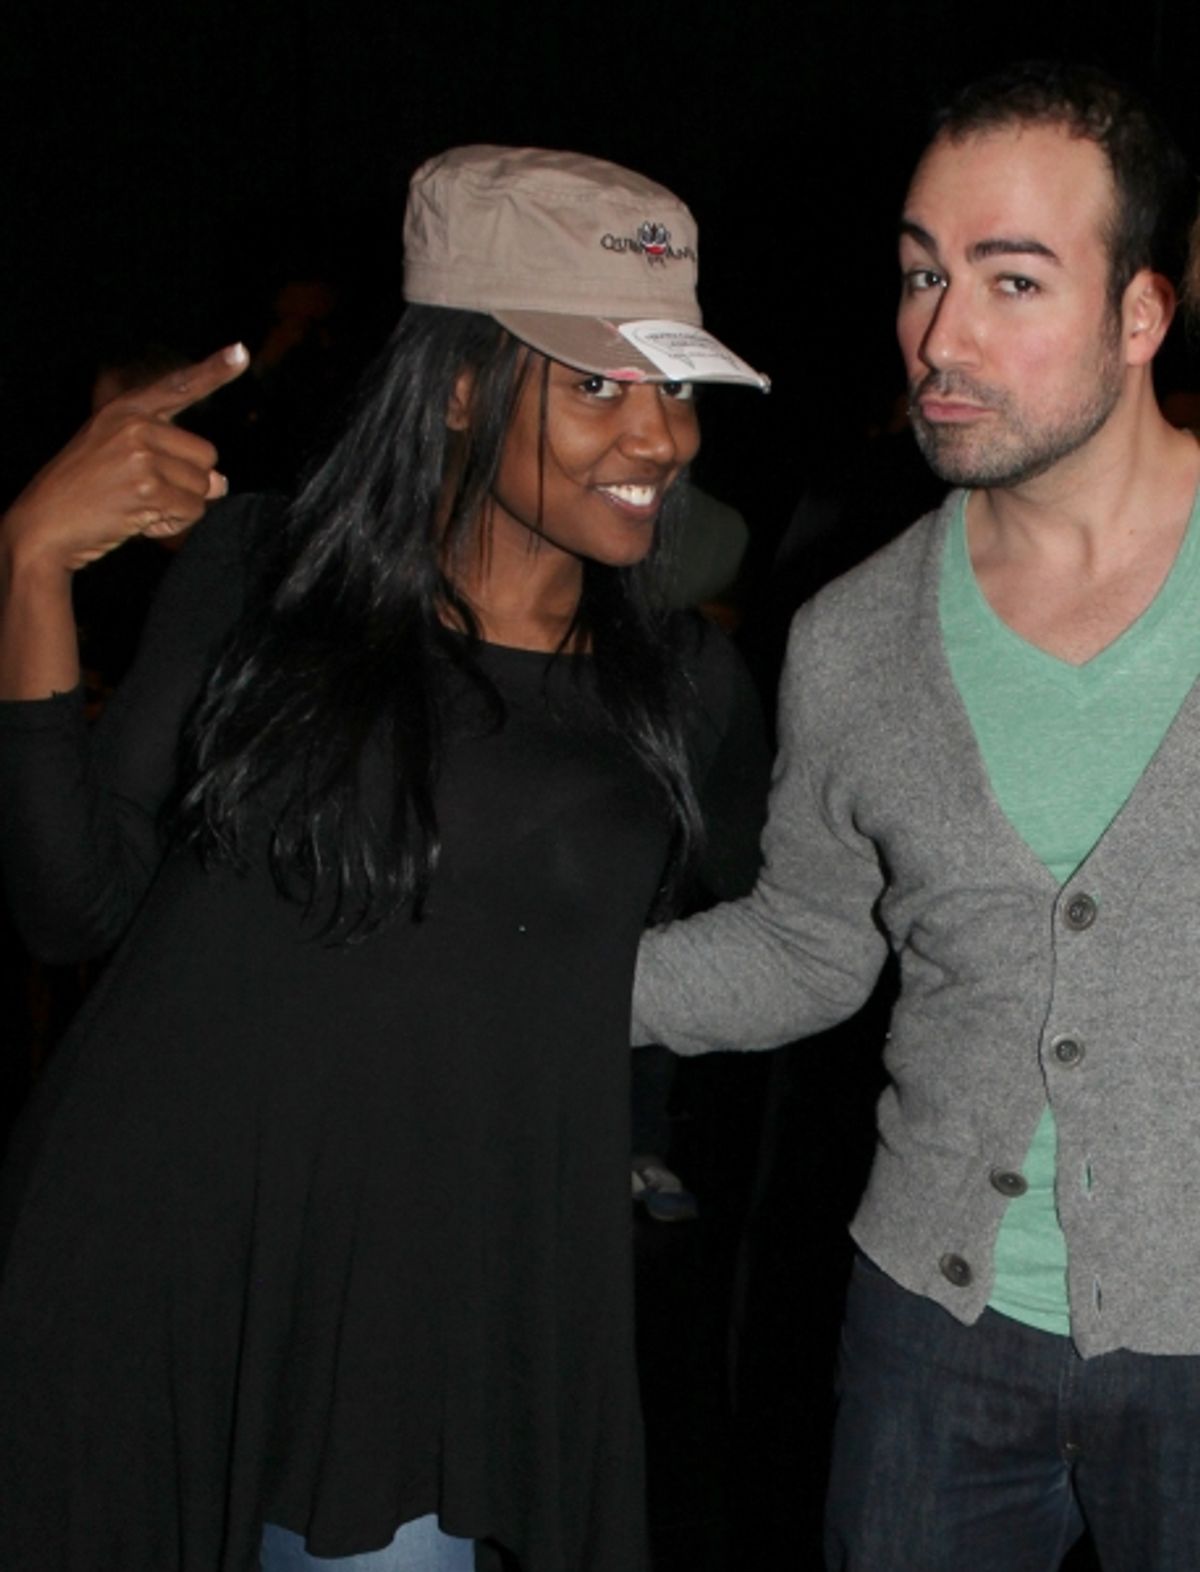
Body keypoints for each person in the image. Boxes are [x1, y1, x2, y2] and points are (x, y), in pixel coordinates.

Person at [0, 146, 768, 1572]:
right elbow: (73, 905)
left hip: (412, 1327)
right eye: (601, 382)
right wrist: (33, 564)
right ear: (463, 388)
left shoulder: (678, 688)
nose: (662, 436)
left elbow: (813, 924)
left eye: (677, 386)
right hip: (150, 1267)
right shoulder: (259, 575)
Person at [634, 61, 1200, 1571]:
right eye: (920, 275)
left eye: (1012, 281)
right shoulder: (854, 636)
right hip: (931, 1341)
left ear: (1140, 315)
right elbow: (813, 947)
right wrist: (550, 980)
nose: (939, 338)